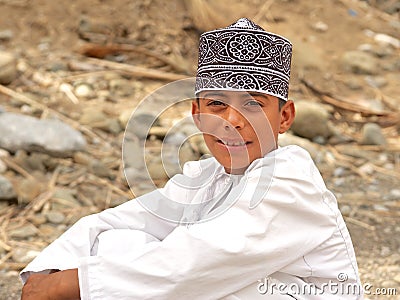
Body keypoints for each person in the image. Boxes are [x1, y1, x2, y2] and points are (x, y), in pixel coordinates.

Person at [21, 18, 362, 299]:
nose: (233, 121)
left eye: (253, 104)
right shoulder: (207, 177)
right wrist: (47, 273)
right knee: (119, 242)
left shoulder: (290, 180)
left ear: (285, 117)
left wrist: (71, 285)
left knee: (225, 286)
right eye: (217, 104)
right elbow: (120, 222)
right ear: (197, 115)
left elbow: (199, 261)